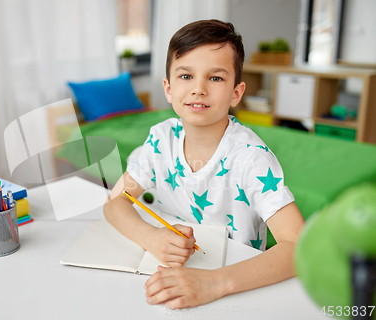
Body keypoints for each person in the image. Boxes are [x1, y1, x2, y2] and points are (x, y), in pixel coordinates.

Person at [103, 19, 305, 309]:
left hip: (237, 292)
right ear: (168, 88)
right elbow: (114, 202)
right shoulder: (160, 140)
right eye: (186, 76)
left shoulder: (251, 158)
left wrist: (215, 282)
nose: (198, 89)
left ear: (236, 92)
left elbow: (298, 245)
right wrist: (150, 237)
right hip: (163, 281)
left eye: (216, 78)